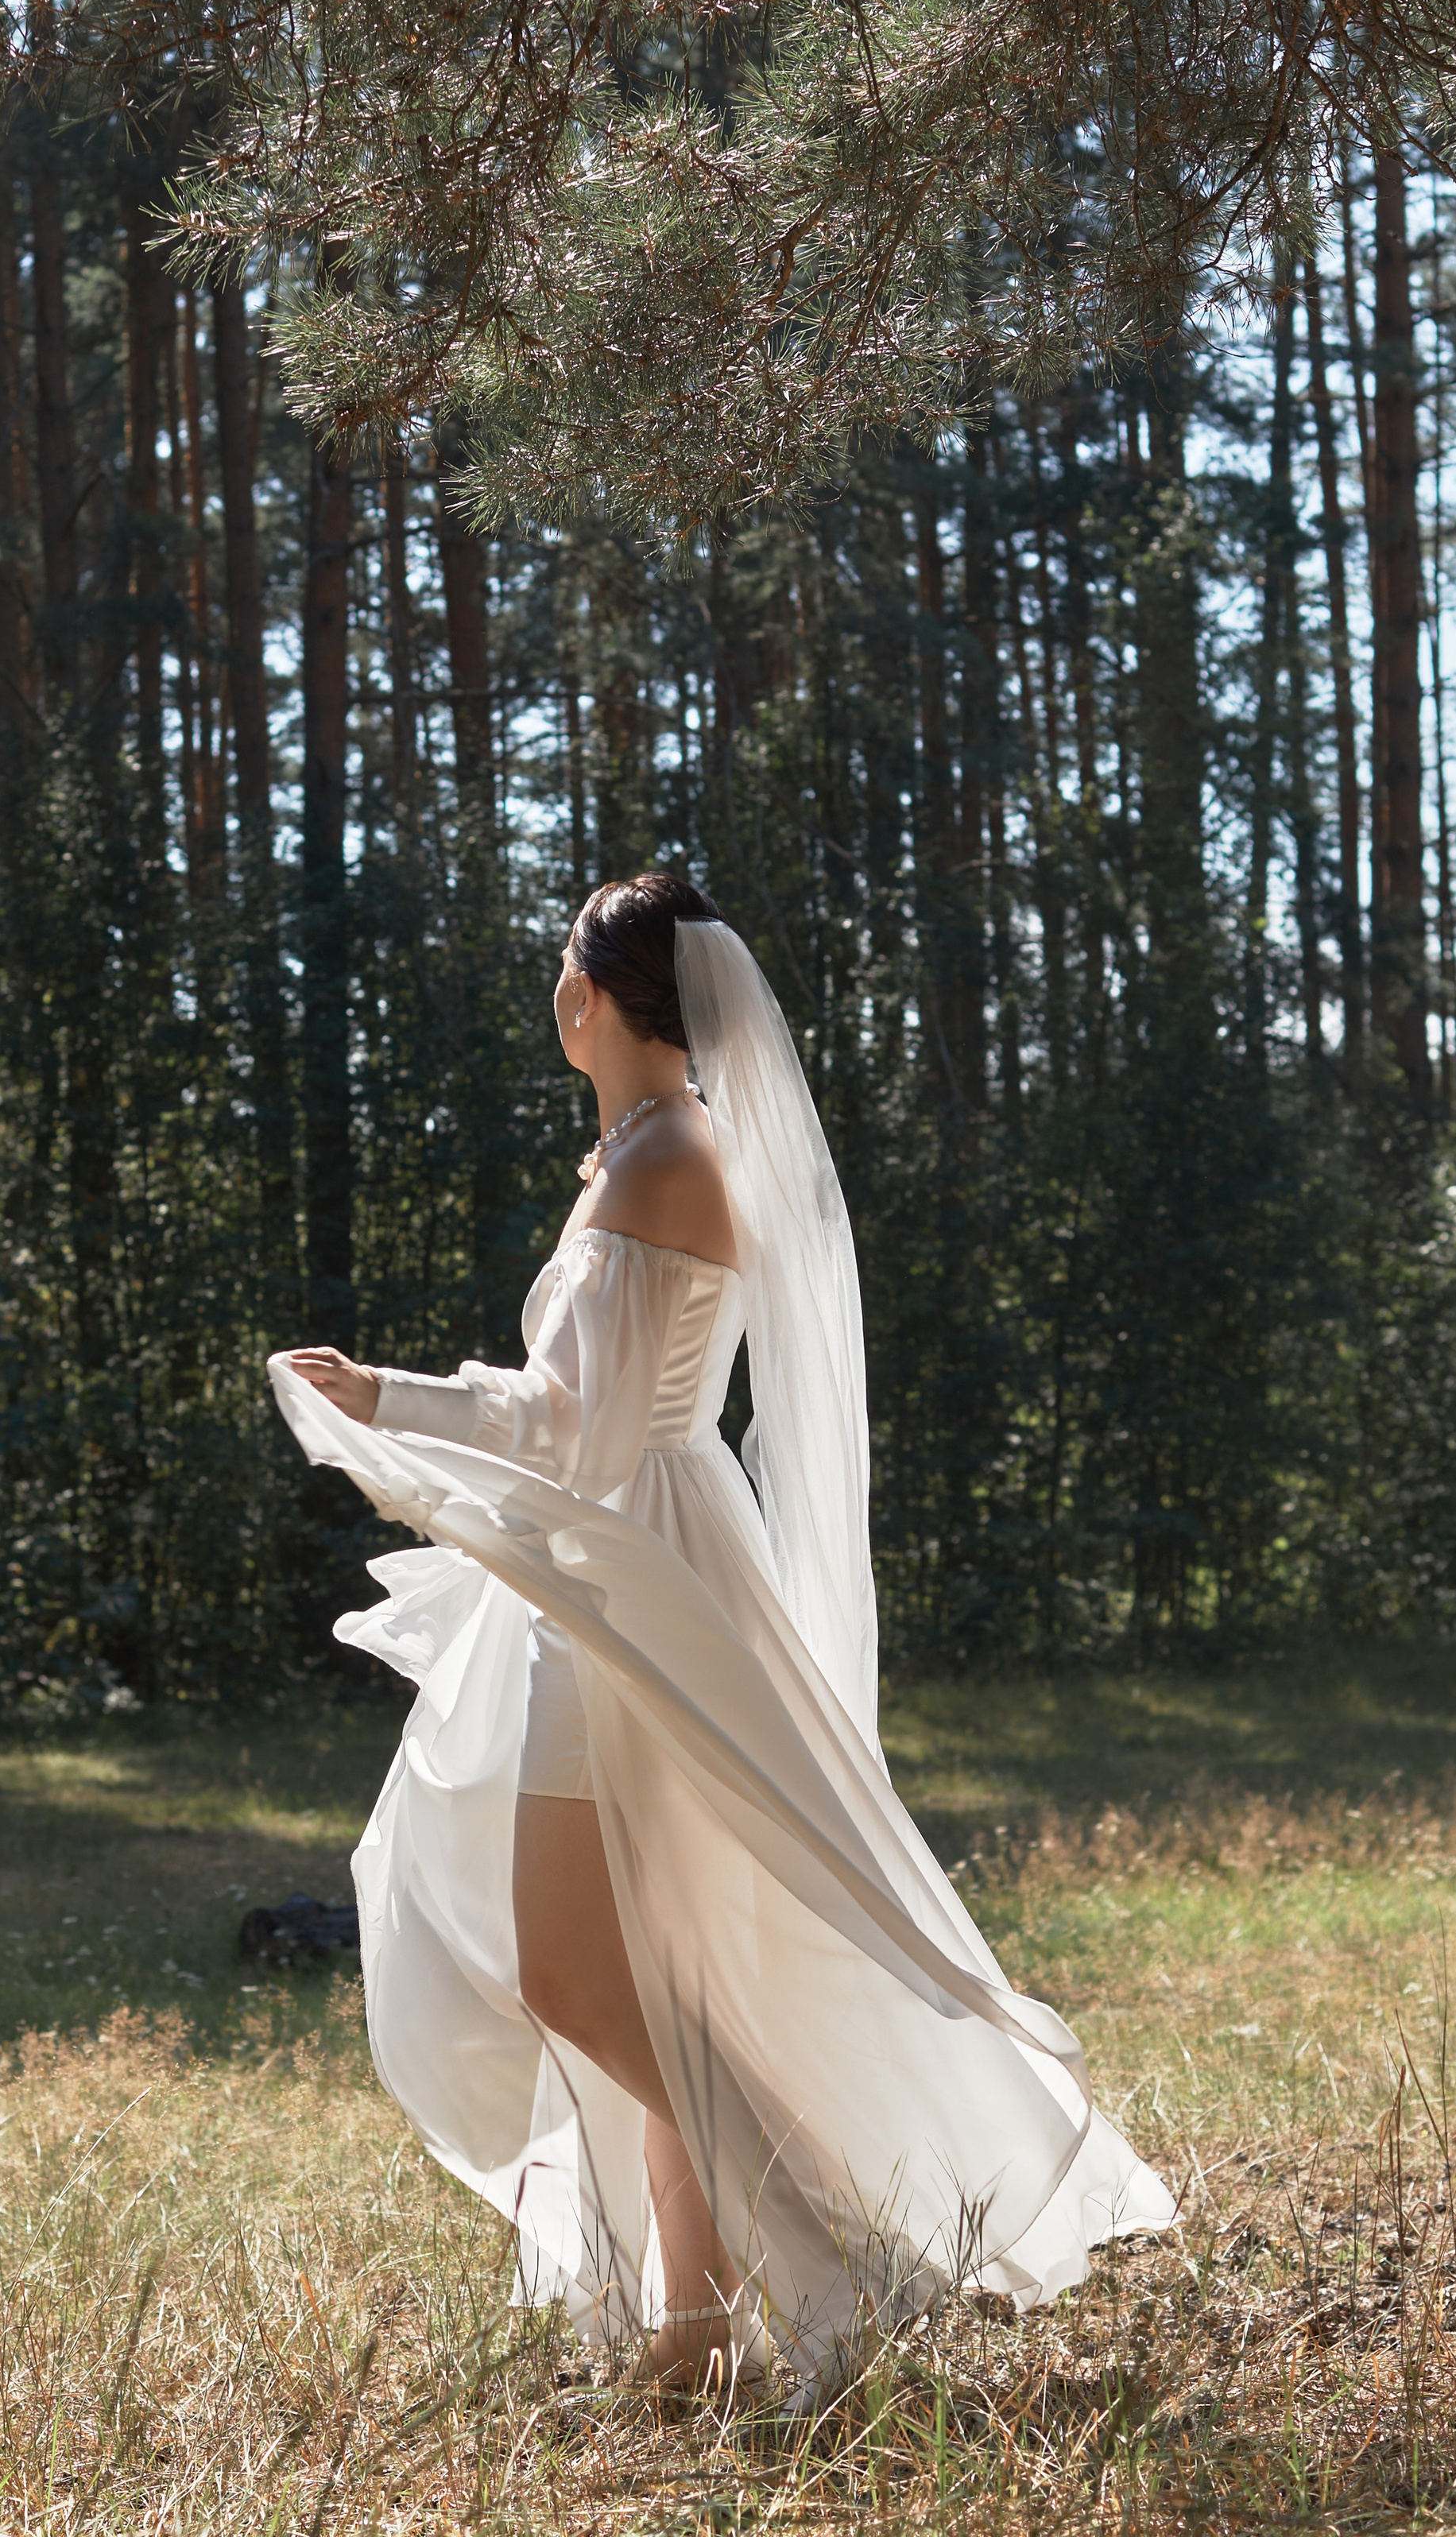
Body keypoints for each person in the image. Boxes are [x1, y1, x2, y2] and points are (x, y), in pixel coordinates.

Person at [273, 874, 1171, 2401]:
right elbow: (574, 1410)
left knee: (571, 1979)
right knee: (649, 1968)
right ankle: (686, 2349)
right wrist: (392, 1396)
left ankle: (833, 2237)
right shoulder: (641, 1150)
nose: (553, 993)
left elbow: (573, 1427)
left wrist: (397, 1416)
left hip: (631, 1577)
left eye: (564, 968)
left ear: (602, 999)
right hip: (627, 1553)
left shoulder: (670, 1156)